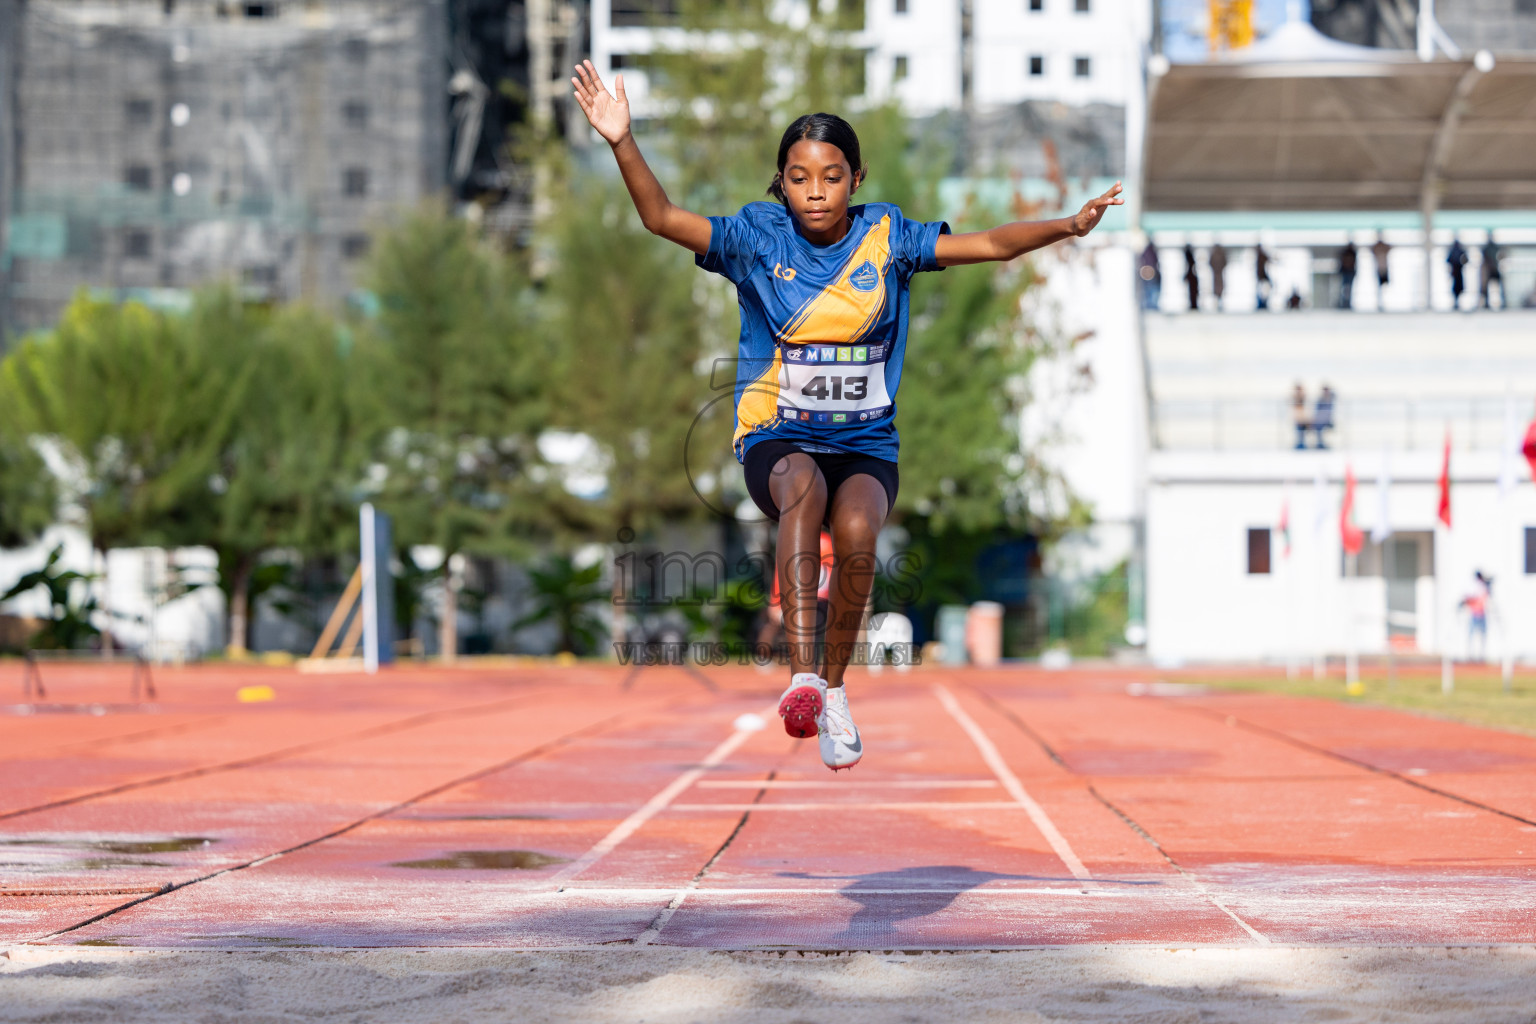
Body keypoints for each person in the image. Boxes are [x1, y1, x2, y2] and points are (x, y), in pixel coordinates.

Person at [571, 63, 1122, 770]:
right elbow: (661, 218)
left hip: (866, 440)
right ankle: (803, 676)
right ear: (782, 181)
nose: (815, 193)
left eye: (831, 177)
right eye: (799, 178)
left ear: (856, 178)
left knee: (858, 533)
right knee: (802, 493)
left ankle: (833, 689)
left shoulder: (887, 238)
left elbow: (986, 243)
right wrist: (622, 141)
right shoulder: (758, 239)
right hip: (777, 434)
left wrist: (1068, 227)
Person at [1461, 571, 1491, 663]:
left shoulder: (1483, 586)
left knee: (1481, 635)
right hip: (1475, 614)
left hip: (1481, 613)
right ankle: (1470, 655)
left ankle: (1481, 655)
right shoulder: (1475, 586)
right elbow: (1470, 598)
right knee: (1472, 635)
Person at [1480, 236, 1503, 310]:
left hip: (1494, 269)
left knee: (1499, 286)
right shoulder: (1487, 249)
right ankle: (1486, 302)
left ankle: (1502, 301)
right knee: (1486, 287)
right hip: (1489, 270)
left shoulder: (1493, 248)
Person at [1137, 240, 1161, 311]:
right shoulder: (1147, 252)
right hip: (1150, 279)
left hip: (1152, 278)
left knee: (1151, 296)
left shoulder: (1148, 252)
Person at [1447, 238, 1469, 310]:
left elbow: (1466, 260)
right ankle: (1456, 301)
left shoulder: (1457, 251)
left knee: (1458, 287)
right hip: (1455, 272)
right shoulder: (1455, 251)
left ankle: (1457, 301)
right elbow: (1448, 260)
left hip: (1458, 271)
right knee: (1456, 287)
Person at [1312, 385, 1335, 449]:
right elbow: (1317, 411)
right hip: (1319, 420)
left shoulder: (1330, 399)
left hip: (1327, 420)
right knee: (1318, 426)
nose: (1325, 392)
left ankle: (1321, 443)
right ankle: (1320, 443)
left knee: (1319, 426)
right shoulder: (1320, 400)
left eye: (1326, 390)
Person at [1372, 232, 1390, 311]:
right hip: (1379, 269)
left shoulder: (1385, 247)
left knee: (1385, 286)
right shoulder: (1376, 248)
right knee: (1379, 286)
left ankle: (1385, 302)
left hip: (1385, 269)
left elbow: (1389, 248)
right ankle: (1380, 302)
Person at [1338, 241, 1357, 310]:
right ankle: (1343, 302)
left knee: (1349, 288)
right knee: (1344, 288)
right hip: (1345, 272)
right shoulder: (1346, 253)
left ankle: (1347, 303)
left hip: (1350, 272)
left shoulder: (1352, 253)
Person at [1291, 383, 1310, 450]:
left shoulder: (1303, 398)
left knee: (1302, 432)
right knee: (1299, 431)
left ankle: (1302, 444)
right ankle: (1300, 444)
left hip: (1303, 418)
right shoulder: (1294, 398)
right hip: (1298, 418)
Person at [1209, 242, 1227, 311]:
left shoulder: (1221, 254)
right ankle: (1217, 301)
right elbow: (1210, 262)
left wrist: (1220, 268)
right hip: (1216, 273)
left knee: (1220, 287)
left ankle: (1220, 300)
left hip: (1219, 273)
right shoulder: (1213, 254)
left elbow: (1225, 262)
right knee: (1216, 287)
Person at [1183, 243, 1200, 311]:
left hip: (1192, 279)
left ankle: (1193, 304)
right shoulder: (1190, 261)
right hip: (1192, 279)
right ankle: (1193, 304)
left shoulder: (1190, 261)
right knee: (1192, 292)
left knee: (1192, 292)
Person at [1255, 244, 1272, 310]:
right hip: (1261, 277)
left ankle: (1263, 302)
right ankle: (1262, 303)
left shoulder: (1261, 256)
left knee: (1265, 288)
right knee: (1261, 289)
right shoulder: (1258, 256)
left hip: (1262, 276)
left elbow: (1268, 259)